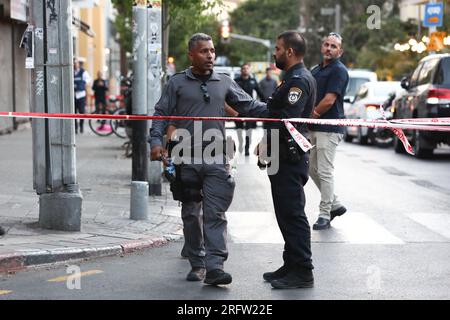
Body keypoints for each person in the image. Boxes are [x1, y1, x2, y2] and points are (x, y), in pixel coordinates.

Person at [149, 33, 267, 286]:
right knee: (191, 213)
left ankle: (215, 267)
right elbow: (160, 113)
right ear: (191, 54)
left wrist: (280, 109)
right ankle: (198, 262)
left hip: (217, 158)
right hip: (185, 158)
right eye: (204, 51)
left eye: (212, 51)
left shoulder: (224, 81)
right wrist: (156, 142)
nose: (210, 55)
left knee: (215, 213)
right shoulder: (177, 83)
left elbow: (249, 106)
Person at [262, 30, 316, 289]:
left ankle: (303, 270)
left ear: (290, 52)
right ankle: (291, 263)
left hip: (290, 155)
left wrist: (258, 110)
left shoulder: (299, 81)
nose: (275, 53)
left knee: (293, 212)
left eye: (278, 48)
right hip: (280, 152)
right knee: (284, 212)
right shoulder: (290, 78)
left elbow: (287, 118)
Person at [309, 32, 349, 230]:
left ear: (339, 52)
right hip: (314, 127)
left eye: (334, 46)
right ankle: (335, 204)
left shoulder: (339, 71)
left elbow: (329, 100)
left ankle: (325, 213)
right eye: (326, 44)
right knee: (310, 168)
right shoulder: (316, 70)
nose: (329, 49)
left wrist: (311, 115)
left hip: (330, 127)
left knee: (324, 171)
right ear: (321, 46)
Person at [234, 63, 265, 156]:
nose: (245, 70)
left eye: (247, 69)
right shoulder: (236, 81)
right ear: (241, 70)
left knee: (249, 130)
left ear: (249, 70)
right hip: (238, 109)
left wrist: (266, 104)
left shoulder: (253, 81)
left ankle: (247, 148)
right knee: (239, 130)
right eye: (243, 68)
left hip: (249, 110)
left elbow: (260, 93)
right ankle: (240, 143)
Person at [73, 59, 92, 134]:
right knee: (73, 113)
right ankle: (75, 128)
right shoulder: (71, 72)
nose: (75, 65)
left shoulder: (83, 72)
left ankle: (81, 126)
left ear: (78, 64)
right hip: (73, 95)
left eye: (76, 63)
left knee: (81, 112)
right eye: (74, 63)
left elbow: (88, 80)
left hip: (81, 95)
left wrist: (83, 83)